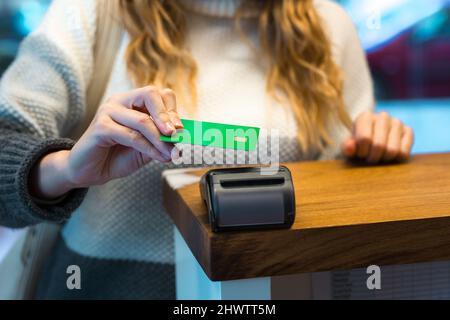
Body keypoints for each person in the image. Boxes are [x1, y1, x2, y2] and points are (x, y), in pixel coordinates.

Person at [0, 0, 414, 299]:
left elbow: (343, 186)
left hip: (274, 288)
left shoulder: (328, 26)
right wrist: (68, 168)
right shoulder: (93, 12)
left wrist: (372, 150)